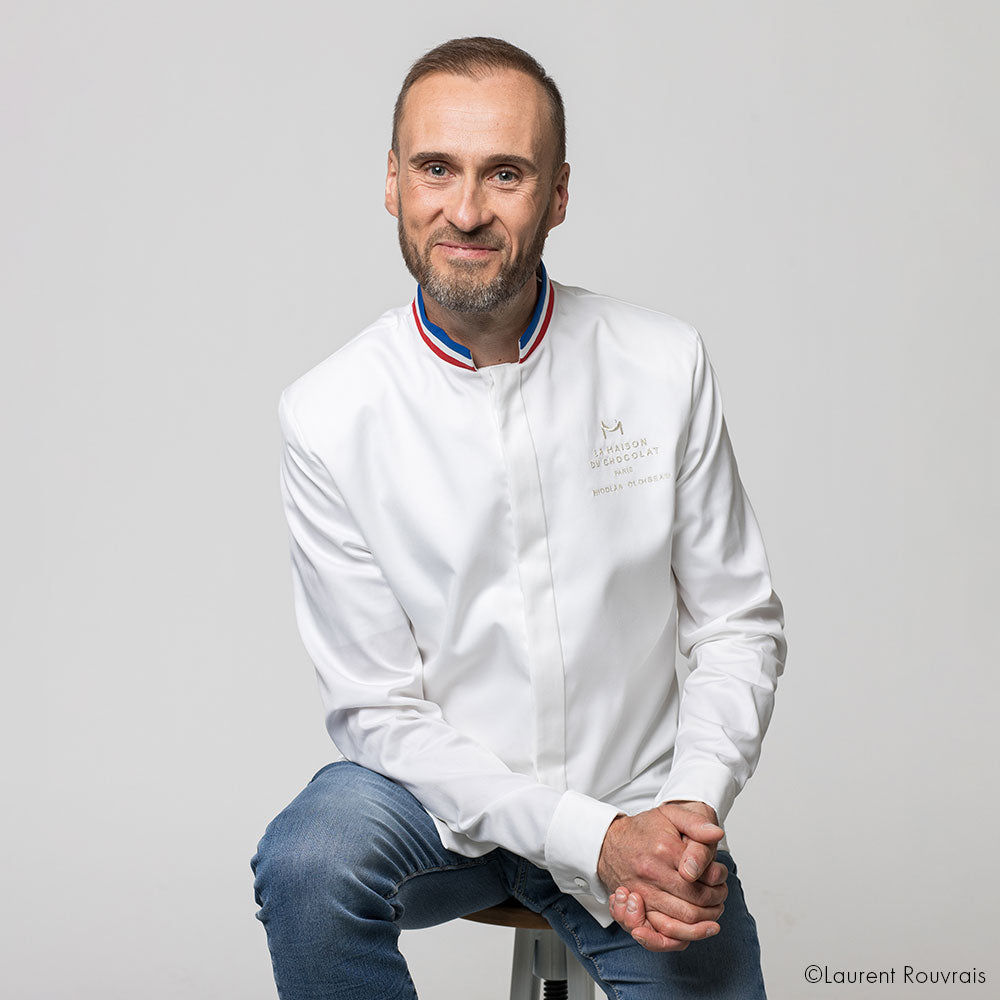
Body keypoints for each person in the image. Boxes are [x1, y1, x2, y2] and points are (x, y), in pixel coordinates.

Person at [251, 35, 786, 1000]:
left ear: (559, 193)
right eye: (436, 169)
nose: (465, 210)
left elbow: (736, 624)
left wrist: (685, 816)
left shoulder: (662, 364)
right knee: (311, 861)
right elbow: (381, 712)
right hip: (432, 814)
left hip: (640, 804)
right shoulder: (330, 415)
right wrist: (591, 838)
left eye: (505, 173)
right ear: (391, 182)